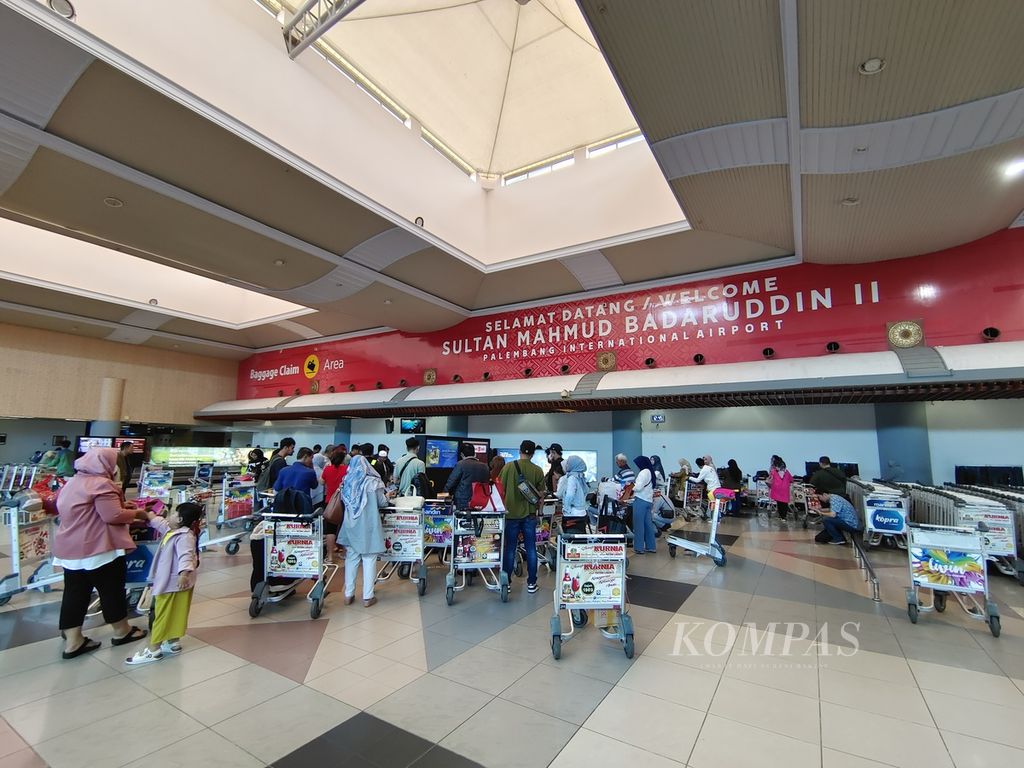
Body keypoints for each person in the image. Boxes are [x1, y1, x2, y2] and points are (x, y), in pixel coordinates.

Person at [53, 448, 148, 659]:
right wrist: (137, 513)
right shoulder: (102, 484)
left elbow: (88, 510)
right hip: (97, 548)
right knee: (110, 590)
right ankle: (122, 631)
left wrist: (123, 505)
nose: (116, 467)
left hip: (70, 549)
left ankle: (73, 640)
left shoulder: (73, 482)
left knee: (74, 593)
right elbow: (112, 515)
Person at [126, 502, 203, 665]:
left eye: (174, 514)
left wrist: (183, 573)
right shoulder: (174, 531)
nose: (170, 517)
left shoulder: (185, 537)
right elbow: (160, 523)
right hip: (177, 583)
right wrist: (149, 515)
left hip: (173, 582)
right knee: (176, 612)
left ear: (180, 519)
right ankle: (173, 642)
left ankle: (154, 650)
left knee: (162, 614)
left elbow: (186, 555)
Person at [339, 455, 388, 607]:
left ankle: (348, 594)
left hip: (350, 525)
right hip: (369, 525)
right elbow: (382, 502)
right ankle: (368, 596)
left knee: (351, 559)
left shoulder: (346, 482)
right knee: (369, 559)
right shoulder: (373, 482)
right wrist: (388, 496)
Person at [498, 440, 545, 593]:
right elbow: (541, 496)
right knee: (531, 548)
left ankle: (507, 583)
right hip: (530, 515)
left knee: (510, 548)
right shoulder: (538, 470)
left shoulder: (508, 467)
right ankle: (531, 583)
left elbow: (500, 489)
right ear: (532, 453)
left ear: (519, 451)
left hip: (510, 514)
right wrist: (540, 513)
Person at [320, 448, 348, 558]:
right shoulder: (347, 469)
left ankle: (330, 556)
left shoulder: (327, 469)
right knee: (344, 527)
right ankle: (345, 553)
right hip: (344, 501)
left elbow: (322, 482)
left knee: (330, 530)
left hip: (330, 502)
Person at [445, 442, 489, 510]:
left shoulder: (461, 464)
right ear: (475, 454)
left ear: (462, 454)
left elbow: (451, 482)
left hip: (463, 502)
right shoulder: (485, 466)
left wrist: (444, 495)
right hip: (481, 501)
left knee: (462, 519)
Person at [556, 455, 590, 532]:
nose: (566, 465)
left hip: (572, 514)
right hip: (582, 512)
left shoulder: (572, 478)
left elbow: (570, 494)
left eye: (568, 463)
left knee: (570, 540)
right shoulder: (581, 477)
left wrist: (566, 509)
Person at [631, 455, 657, 555]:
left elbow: (638, 487)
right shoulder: (650, 472)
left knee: (638, 525)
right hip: (648, 501)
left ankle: (639, 548)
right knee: (648, 525)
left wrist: (631, 486)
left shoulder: (643, 472)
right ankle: (651, 546)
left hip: (640, 500)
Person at [650, 455, 675, 531]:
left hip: (660, 490)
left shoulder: (658, 468)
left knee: (653, 512)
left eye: (652, 460)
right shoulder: (653, 468)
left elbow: (653, 476)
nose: (651, 461)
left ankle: (662, 525)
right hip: (657, 489)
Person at [768, 455, 793, 520]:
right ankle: (783, 516)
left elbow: (770, 478)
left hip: (777, 491)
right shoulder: (787, 472)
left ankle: (781, 515)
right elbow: (791, 480)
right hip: (784, 491)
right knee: (784, 504)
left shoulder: (773, 472)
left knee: (779, 504)